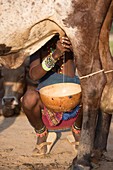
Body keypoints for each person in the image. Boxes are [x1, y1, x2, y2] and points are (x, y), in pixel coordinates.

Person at [21, 34, 83, 155]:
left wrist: (74, 48)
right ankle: (41, 133)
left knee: (91, 93)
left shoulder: (71, 39)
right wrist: (55, 55)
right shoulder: (38, 45)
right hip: (46, 100)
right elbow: (34, 75)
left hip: (73, 98)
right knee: (29, 99)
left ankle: (77, 129)